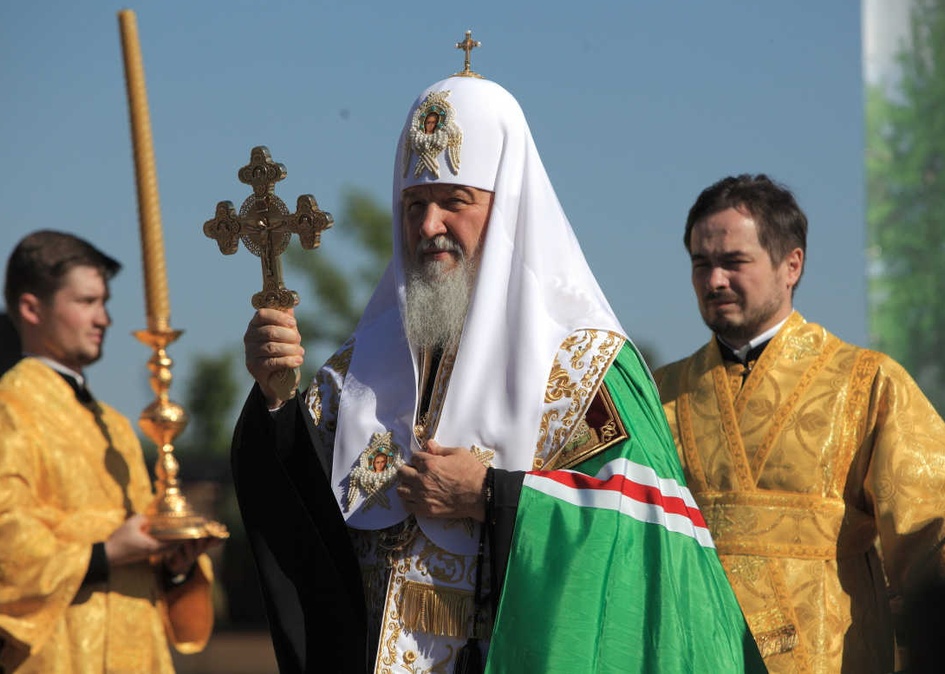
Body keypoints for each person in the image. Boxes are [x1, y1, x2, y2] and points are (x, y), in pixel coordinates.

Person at [232, 59, 766, 674]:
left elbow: (646, 539)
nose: (428, 225)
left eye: (454, 202)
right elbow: (301, 527)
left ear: (507, 206)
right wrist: (276, 401)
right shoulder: (359, 368)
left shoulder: (589, 366)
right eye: (414, 203)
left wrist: (492, 495)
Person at [652, 173, 945, 674]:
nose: (714, 280)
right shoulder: (659, 395)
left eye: (733, 262)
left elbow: (929, 533)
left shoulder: (868, 383)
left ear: (792, 265)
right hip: (689, 655)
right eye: (701, 264)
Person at [0, 230, 218, 673]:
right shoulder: (10, 407)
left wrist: (174, 564)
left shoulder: (117, 425)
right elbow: (9, 544)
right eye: (86, 302)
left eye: (104, 302)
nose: (104, 319)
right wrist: (106, 552)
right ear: (31, 309)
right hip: (62, 654)